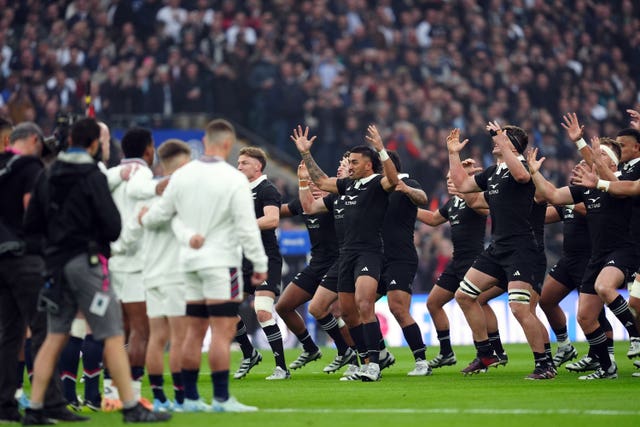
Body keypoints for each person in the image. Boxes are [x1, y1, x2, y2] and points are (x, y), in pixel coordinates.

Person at [23, 118, 169, 423]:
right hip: (88, 264)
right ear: (92, 145)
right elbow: (112, 225)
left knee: (55, 335)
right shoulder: (92, 175)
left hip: (54, 265)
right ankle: (129, 406)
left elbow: (31, 226)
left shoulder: (47, 175)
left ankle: (35, 408)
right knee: (113, 334)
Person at [139, 118, 266, 412]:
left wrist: (144, 216)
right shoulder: (233, 179)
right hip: (222, 264)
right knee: (221, 333)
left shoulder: (182, 175)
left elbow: (160, 216)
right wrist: (260, 263)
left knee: (192, 335)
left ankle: (191, 399)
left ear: (206, 141)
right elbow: (247, 226)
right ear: (226, 143)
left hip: (187, 266)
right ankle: (222, 399)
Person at [293, 124, 399, 382]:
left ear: (367, 165)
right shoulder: (346, 186)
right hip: (346, 256)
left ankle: (374, 364)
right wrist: (306, 154)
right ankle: (364, 359)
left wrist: (381, 149)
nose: (349, 165)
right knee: (349, 313)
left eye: (354, 162)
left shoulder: (376, 183)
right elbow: (320, 181)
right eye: (348, 161)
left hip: (369, 253)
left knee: (365, 304)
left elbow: (394, 180)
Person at [447, 124, 553, 380]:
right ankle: (486, 353)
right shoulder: (493, 173)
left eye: (501, 138)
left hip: (522, 248)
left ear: (512, 144)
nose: (494, 141)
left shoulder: (524, 167)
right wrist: (452, 154)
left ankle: (544, 365)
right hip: (497, 248)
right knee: (463, 295)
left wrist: (504, 143)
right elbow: (462, 184)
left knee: (519, 308)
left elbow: (522, 178)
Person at [529, 137, 639, 379]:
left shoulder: (618, 184)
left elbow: (613, 182)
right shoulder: (585, 189)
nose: (589, 163)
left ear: (612, 165)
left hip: (622, 251)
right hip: (597, 256)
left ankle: (636, 336)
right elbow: (553, 195)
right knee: (585, 317)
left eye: (598, 160)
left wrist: (583, 145)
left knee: (604, 287)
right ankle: (606, 367)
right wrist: (535, 174)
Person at [0, 122, 81, 424]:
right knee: (45, 330)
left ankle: (5, 405)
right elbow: (30, 208)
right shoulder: (29, 166)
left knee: (10, 334)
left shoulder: (3, 165)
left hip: (2, 257)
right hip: (26, 257)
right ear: (34, 140)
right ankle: (50, 403)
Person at [116, 139, 192, 412]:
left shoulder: (147, 194)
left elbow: (131, 232)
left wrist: (116, 250)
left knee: (156, 337)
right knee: (179, 338)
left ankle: (158, 396)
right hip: (174, 274)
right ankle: (181, 398)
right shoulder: (181, 194)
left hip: (150, 275)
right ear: (183, 163)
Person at [417, 159, 488, 369]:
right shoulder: (452, 204)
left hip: (474, 262)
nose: (449, 182)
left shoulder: (475, 201)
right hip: (456, 262)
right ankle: (446, 352)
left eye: (452, 178)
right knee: (433, 303)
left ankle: (485, 353)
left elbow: (485, 211)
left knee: (473, 304)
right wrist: (407, 208)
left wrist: (468, 186)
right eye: (447, 179)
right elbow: (431, 219)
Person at [107, 127, 160, 405]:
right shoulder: (143, 175)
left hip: (112, 262)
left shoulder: (112, 175)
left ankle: (110, 392)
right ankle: (133, 396)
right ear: (148, 149)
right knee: (141, 330)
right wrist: (121, 245)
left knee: (119, 329)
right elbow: (139, 220)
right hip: (133, 262)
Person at [295, 154, 358, 376]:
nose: (340, 168)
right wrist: (303, 182)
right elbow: (306, 207)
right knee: (314, 308)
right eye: (339, 164)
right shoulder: (328, 199)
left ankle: (368, 356)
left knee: (350, 311)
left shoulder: (353, 194)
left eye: (344, 165)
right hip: (326, 263)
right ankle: (349, 353)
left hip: (353, 258)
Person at [275, 162, 339, 371]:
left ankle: (352, 352)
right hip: (316, 265)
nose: (314, 187)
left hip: (338, 264)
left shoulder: (333, 202)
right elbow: (279, 212)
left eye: (317, 183)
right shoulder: (302, 203)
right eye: (309, 183)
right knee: (283, 306)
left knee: (339, 311)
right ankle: (310, 348)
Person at [233, 146, 288, 380]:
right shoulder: (239, 191)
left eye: (244, 162)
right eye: (238, 162)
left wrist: (243, 226)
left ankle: (281, 368)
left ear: (258, 166)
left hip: (265, 260)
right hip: (243, 260)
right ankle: (249, 354)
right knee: (225, 310)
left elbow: (272, 219)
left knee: (263, 311)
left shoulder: (267, 189)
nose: (239, 166)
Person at [378, 151, 431, 376]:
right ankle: (379, 355)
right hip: (375, 258)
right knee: (353, 306)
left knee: (398, 308)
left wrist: (407, 189)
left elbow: (423, 198)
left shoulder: (407, 183)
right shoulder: (374, 189)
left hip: (400, 256)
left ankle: (421, 361)